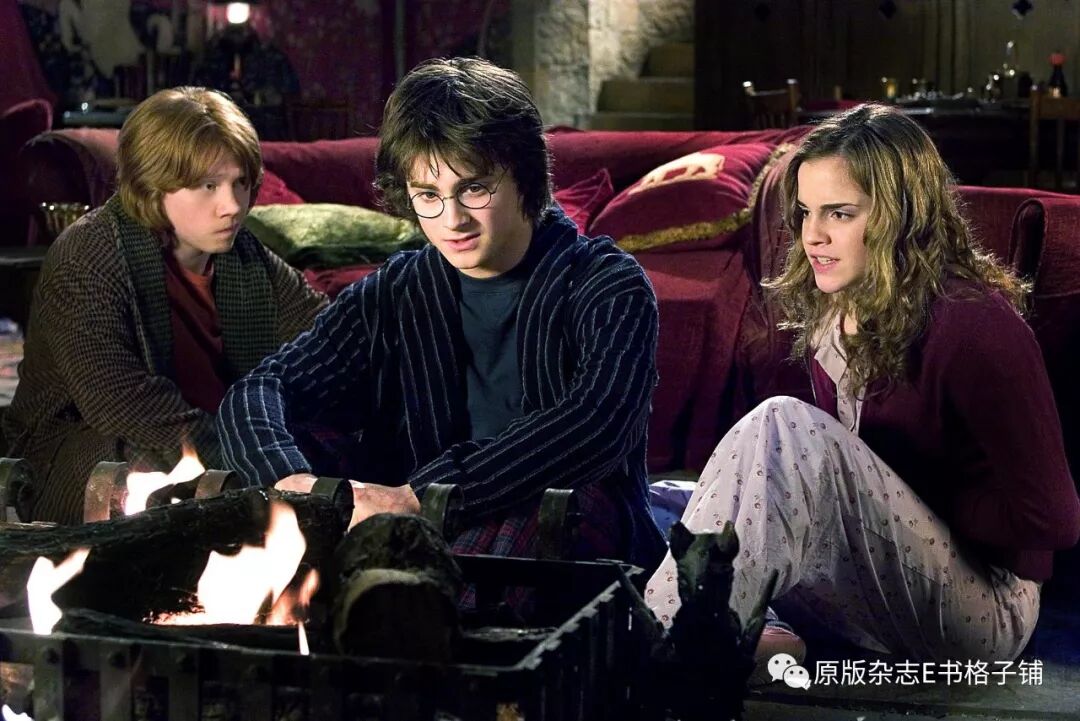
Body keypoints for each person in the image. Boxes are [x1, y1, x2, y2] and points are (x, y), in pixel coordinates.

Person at [645, 104, 1080, 664]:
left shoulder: (975, 325)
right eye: (805, 212)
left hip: (988, 606)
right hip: (894, 575)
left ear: (902, 215)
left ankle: (671, 643)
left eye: (840, 213)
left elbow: (1054, 520)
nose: (813, 236)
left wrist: (900, 490)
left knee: (782, 425)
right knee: (664, 500)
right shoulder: (839, 308)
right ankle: (744, 632)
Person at [217, 57, 666, 569]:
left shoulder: (608, 284)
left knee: (547, 510)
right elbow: (263, 387)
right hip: (413, 518)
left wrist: (423, 495)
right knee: (294, 450)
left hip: (559, 522)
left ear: (524, 177)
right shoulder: (397, 290)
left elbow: (594, 425)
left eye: (473, 188)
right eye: (428, 195)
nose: (452, 220)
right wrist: (288, 482)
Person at [4, 86, 327, 525]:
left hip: (217, 445)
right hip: (80, 452)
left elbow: (323, 339)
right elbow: (122, 402)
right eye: (208, 186)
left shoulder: (244, 255)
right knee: (141, 464)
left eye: (240, 183)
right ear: (154, 187)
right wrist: (263, 460)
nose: (232, 206)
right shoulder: (88, 254)